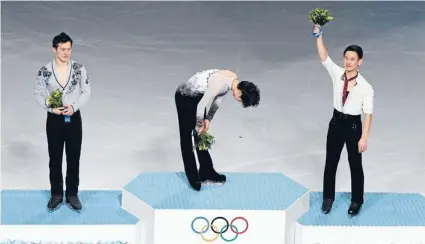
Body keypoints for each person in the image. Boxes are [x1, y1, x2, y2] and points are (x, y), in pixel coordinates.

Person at [312, 24, 374, 217]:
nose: (348, 62)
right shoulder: (337, 75)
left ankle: (357, 200)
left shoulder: (366, 87)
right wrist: (318, 35)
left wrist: (364, 137)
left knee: (355, 164)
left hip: (354, 125)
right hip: (336, 123)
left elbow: (368, 114)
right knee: (331, 161)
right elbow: (324, 57)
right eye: (346, 58)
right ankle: (328, 198)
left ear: (360, 62)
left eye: (352, 59)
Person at [175, 69, 260, 191]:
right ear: (240, 92)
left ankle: (206, 170)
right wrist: (198, 125)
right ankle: (192, 176)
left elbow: (217, 101)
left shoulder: (233, 80)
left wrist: (208, 120)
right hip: (185, 96)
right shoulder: (219, 83)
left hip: (198, 96)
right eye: (241, 99)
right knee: (188, 136)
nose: (239, 101)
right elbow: (201, 106)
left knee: (201, 136)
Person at [34, 32, 91, 211]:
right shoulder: (45, 71)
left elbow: (87, 91)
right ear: (54, 49)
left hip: (74, 118)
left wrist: (74, 107)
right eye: (63, 49)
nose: (67, 53)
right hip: (54, 120)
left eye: (69, 49)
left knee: (74, 157)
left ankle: (72, 194)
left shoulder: (79, 69)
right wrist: (50, 108)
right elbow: (38, 93)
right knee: (55, 158)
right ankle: (56, 194)